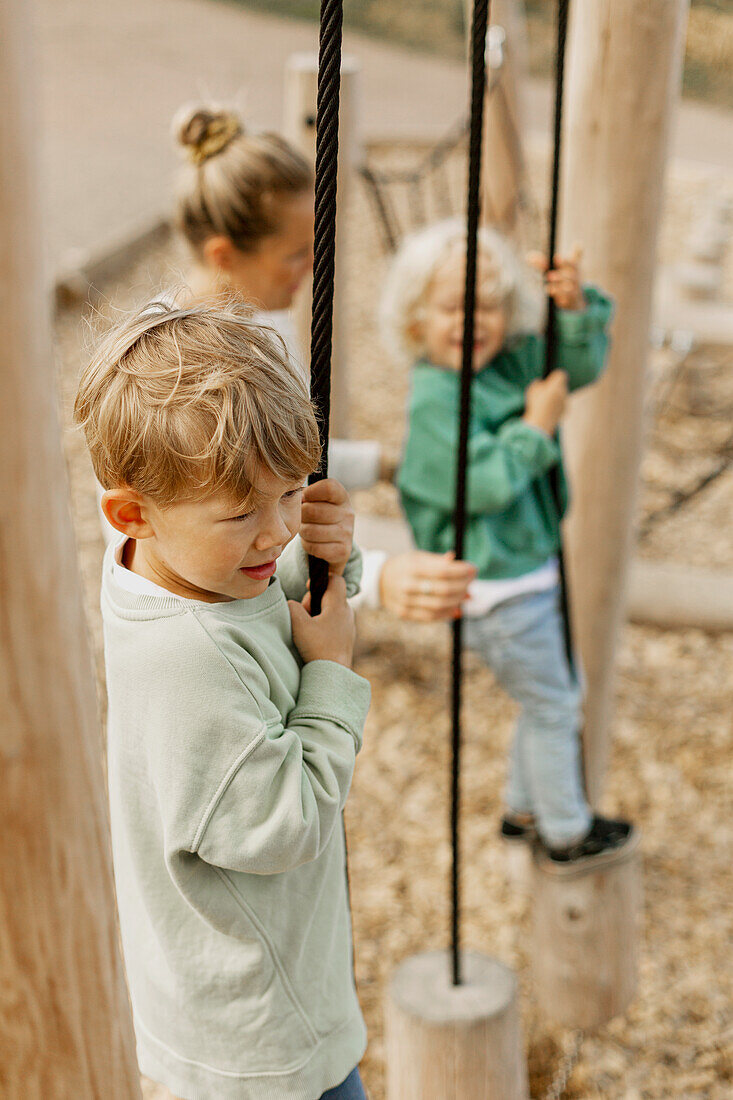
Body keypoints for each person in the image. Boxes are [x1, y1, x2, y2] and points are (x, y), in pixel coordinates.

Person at [75, 300, 371, 1099]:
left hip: (228, 989)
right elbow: (290, 821)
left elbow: (270, 581)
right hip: (257, 1031)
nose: (276, 531)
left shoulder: (169, 554)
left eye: (289, 494)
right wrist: (332, 675)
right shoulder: (188, 662)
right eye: (244, 512)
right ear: (131, 512)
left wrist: (328, 560)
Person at [385, 218, 634, 867]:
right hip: (494, 588)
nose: (472, 320)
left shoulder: (504, 362)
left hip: (526, 572)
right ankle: (563, 832)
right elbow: (484, 484)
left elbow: (574, 365)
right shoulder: (433, 402)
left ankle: (524, 808)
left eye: (489, 304)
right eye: (451, 307)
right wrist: (535, 427)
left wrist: (574, 307)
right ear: (415, 322)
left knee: (546, 697)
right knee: (554, 703)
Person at [170, 102, 476, 622]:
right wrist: (376, 578)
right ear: (224, 255)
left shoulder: (257, 314)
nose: (312, 268)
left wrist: (384, 465)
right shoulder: (191, 375)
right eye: (294, 255)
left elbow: (278, 453)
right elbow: (250, 520)